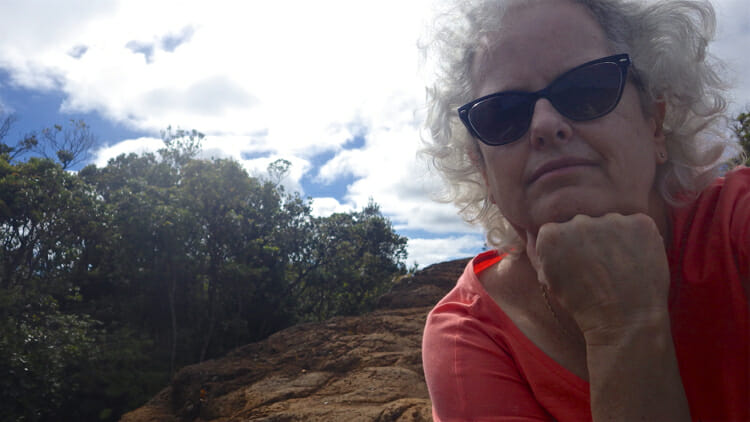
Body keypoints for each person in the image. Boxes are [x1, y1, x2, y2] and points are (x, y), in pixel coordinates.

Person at [419, 0, 749, 420]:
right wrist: (622, 326)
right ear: (483, 169)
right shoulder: (471, 336)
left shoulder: (737, 221)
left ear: (655, 123)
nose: (544, 125)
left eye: (586, 89)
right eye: (503, 114)